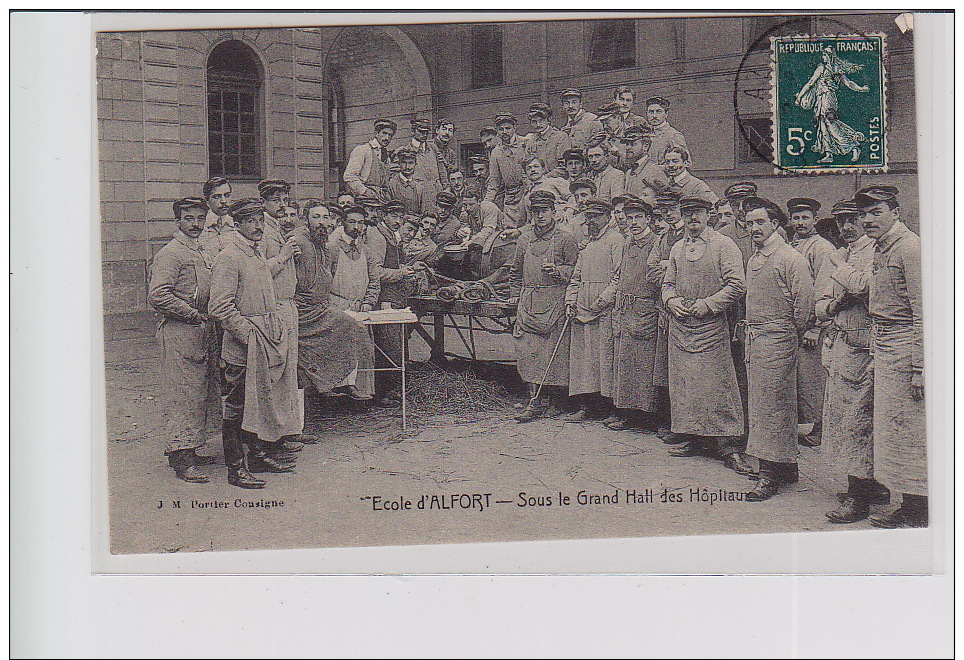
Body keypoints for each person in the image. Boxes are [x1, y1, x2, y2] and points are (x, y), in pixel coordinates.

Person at [829, 185, 926, 528]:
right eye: (864, 213)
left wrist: (920, 368)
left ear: (895, 212)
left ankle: (918, 511)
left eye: (877, 212)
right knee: (887, 429)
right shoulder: (883, 248)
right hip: (881, 343)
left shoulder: (909, 248)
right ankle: (897, 501)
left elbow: (923, 311)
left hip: (903, 346)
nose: (868, 220)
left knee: (910, 430)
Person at [209, 199, 300, 489]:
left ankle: (258, 457)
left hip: (264, 339)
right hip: (242, 348)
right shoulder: (230, 256)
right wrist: (249, 336)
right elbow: (220, 307)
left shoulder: (255, 252)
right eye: (250, 221)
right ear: (237, 225)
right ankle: (235, 469)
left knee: (259, 402)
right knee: (236, 407)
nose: (258, 226)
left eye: (260, 220)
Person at [661, 197, 750, 475]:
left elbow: (738, 285)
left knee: (718, 385)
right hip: (681, 326)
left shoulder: (724, 245)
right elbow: (667, 283)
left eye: (697, 213)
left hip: (711, 327)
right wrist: (670, 300)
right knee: (686, 384)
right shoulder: (677, 248)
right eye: (687, 214)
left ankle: (729, 445)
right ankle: (695, 438)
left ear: (708, 215)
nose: (692, 219)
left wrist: (709, 304)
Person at [816, 199, 888, 523]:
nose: (847, 227)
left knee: (861, 422)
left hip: (866, 346)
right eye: (842, 220)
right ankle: (865, 485)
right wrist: (831, 307)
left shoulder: (875, 251)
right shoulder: (839, 254)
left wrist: (847, 287)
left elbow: (869, 291)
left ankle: (860, 497)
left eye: (853, 219)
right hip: (841, 343)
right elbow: (819, 303)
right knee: (842, 420)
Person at [740, 196, 815, 500]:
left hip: (778, 340)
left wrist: (785, 333)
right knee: (763, 405)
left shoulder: (790, 258)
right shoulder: (755, 257)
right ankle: (786, 467)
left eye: (760, 222)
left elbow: (805, 305)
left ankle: (770, 473)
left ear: (775, 224)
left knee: (774, 406)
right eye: (750, 223)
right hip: (757, 340)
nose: (754, 227)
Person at [148, 197, 220, 483]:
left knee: (200, 392)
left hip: (201, 330)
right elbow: (158, 295)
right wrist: (191, 313)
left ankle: (192, 449)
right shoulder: (171, 253)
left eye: (200, 218)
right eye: (189, 218)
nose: (195, 224)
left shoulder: (201, 249)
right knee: (182, 395)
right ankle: (181, 460)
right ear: (177, 220)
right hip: (180, 331)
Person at [290, 200, 375, 401]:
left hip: (321, 308)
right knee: (348, 329)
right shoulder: (298, 242)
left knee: (354, 332)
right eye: (316, 217)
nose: (321, 222)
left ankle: (342, 384)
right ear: (305, 220)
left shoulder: (322, 245)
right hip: (303, 311)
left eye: (325, 217)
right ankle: (328, 384)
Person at [511, 190, 580, 422]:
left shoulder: (565, 239)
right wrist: (514, 295)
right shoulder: (524, 238)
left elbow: (577, 271)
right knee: (528, 352)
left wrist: (559, 271)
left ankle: (556, 401)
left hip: (554, 302)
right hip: (529, 301)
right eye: (535, 211)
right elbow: (515, 271)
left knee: (554, 354)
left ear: (553, 212)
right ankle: (534, 400)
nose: (540, 215)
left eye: (544, 211)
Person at [258, 179, 307, 453]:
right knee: (276, 371)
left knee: (289, 369)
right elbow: (258, 271)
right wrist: (284, 256)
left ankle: (289, 429)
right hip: (274, 307)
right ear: (264, 202)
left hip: (289, 305)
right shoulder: (262, 231)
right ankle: (273, 435)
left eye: (284, 199)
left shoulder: (278, 229)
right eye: (276, 200)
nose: (282, 205)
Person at [564, 199, 624, 422]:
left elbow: (619, 276)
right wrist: (570, 301)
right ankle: (586, 406)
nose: (590, 222)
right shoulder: (587, 244)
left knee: (605, 359)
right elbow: (576, 277)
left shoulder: (616, 240)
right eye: (588, 217)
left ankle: (609, 407)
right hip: (581, 311)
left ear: (607, 217)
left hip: (604, 311)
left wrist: (603, 300)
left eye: (595, 217)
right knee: (584, 360)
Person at [608, 197, 661, 430]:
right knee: (625, 363)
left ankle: (646, 416)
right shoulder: (627, 242)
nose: (634, 222)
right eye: (629, 218)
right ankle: (626, 412)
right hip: (625, 309)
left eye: (638, 217)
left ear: (648, 219)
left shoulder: (655, 242)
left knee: (645, 365)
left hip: (645, 311)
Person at [787, 197, 836, 447]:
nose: (800, 222)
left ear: (815, 220)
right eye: (795, 218)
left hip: (812, 325)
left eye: (805, 218)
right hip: (796, 322)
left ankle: (819, 429)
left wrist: (815, 327)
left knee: (813, 379)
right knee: (800, 378)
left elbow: (824, 289)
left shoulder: (822, 248)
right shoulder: (792, 244)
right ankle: (805, 426)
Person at [369, 201, 419, 406]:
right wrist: (401, 273)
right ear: (384, 215)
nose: (397, 221)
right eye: (393, 216)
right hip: (382, 299)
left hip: (392, 297)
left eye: (400, 217)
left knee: (394, 344)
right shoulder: (377, 237)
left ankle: (391, 389)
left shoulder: (390, 236)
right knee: (386, 345)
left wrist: (405, 266)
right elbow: (375, 272)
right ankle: (383, 393)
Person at [645, 190, 685, 440]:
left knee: (683, 370)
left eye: (672, 209)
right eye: (664, 210)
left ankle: (684, 426)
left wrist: (668, 266)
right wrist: (668, 274)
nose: (668, 214)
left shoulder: (689, 236)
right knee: (664, 369)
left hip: (685, 308)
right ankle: (668, 421)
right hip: (665, 309)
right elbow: (650, 273)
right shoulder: (663, 237)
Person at [794, 45, 870, 163]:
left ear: (829, 56)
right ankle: (829, 154)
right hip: (826, 99)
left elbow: (810, 83)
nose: (823, 57)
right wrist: (861, 88)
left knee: (830, 124)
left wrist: (799, 97)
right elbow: (849, 83)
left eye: (825, 55)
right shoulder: (837, 69)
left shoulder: (822, 68)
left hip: (826, 99)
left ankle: (853, 146)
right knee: (823, 125)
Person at [323, 202, 381, 313]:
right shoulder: (332, 248)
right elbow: (323, 284)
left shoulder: (367, 251)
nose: (356, 227)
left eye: (360, 223)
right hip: (335, 310)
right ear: (343, 222)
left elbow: (374, 281)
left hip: (361, 310)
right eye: (352, 222)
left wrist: (368, 303)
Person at [485, 111, 530, 225]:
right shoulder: (496, 152)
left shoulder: (526, 143)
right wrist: (487, 202)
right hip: (510, 197)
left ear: (515, 128)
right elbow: (494, 181)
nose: (504, 132)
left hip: (528, 192)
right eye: (501, 129)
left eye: (508, 128)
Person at [462, 184, 515, 278]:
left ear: (479, 201)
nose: (468, 208)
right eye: (465, 205)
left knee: (475, 257)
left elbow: (489, 229)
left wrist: (471, 241)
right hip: (484, 239)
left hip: (500, 239)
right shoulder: (467, 213)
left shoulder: (489, 208)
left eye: (471, 204)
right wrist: (464, 235)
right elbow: (468, 227)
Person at [343, 118, 396, 198]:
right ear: (376, 133)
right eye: (384, 133)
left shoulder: (386, 156)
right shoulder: (363, 150)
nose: (387, 138)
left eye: (390, 135)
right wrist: (364, 191)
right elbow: (349, 176)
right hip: (364, 198)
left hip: (382, 198)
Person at [524, 102, 572, 178]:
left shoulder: (560, 137)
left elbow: (564, 166)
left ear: (548, 120)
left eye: (541, 120)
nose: (538, 125)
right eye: (534, 122)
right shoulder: (531, 141)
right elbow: (526, 165)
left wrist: (545, 178)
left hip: (558, 181)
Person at [623, 124, 667, 198]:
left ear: (645, 146)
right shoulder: (629, 172)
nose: (628, 148)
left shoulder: (654, 172)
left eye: (633, 144)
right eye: (627, 144)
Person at [409, 116, 446, 204]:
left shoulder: (433, 148)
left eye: (426, 132)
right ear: (412, 131)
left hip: (437, 193)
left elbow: (442, 171)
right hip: (418, 195)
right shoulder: (406, 151)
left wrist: (446, 188)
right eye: (421, 132)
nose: (424, 135)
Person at [386, 146, 429, 215]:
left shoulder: (420, 187)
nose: (407, 167)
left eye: (410, 163)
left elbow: (423, 212)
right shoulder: (392, 184)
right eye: (404, 163)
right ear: (399, 163)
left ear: (415, 164)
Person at [644, 96, 688, 164]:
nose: (654, 116)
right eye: (651, 112)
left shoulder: (674, 135)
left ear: (666, 114)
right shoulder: (643, 133)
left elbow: (686, 163)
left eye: (658, 112)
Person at [200, 177, 234, 254]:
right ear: (207, 200)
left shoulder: (237, 225)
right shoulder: (200, 225)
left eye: (227, 195)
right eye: (217, 197)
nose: (223, 201)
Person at [586, 138, 625, 204]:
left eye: (597, 156)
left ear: (606, 157)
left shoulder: (617, 175)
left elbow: (616, 203)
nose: (593, 160)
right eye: (590, 157)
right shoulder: (588, 176)